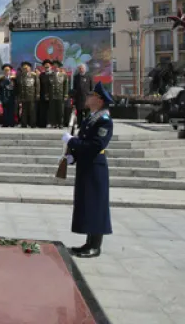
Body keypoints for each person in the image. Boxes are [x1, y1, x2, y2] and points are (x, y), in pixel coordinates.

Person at [62, 82, 114, 258]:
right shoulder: (91, 118)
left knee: (96, 204)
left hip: (95, 166)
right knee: (87, 203)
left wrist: (72, 141)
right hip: (86, 165)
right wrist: (73, 156)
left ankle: (96, 246)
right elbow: (84, 141)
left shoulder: (104, 121)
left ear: (99, 100)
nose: (88, 97)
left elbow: (96, 145)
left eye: (91, 95)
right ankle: (89, 242)